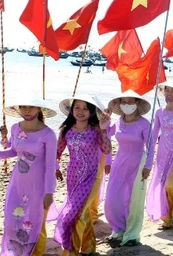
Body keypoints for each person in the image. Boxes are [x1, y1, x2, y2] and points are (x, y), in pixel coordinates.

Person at [0, 96, 57, 256]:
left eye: (31, 106)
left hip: (37, 187)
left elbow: (50, 165)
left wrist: (49, 192)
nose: (27, 110)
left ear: (39, 109)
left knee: (32, 224)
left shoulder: (48, 135)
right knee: (11, 222)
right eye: (23, 106)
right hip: (17, 185)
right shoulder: (15, 128)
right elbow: (13, 151)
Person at [53, 94, 112, 256]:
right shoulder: (66, 131)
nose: (80, 111)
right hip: (72, 177)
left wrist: (104, 128)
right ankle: (89, 247)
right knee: (82, 212)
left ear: (91, 112)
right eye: (77, 107)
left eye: (85, 108)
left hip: (92, 177)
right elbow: (56, 153)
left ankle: (70, 251)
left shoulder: (96, 130)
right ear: (71, 110)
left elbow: (107, 150)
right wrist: (55, 168)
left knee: (73, 213)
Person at [104, 90, 154, 247]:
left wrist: (148, 166)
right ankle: (118, 230)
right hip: (119, 162)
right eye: (123, 102)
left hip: (137, 163)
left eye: (130, 102)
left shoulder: (144, 124)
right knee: (112, 199)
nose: (127, 105)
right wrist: (107, 161)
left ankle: (132, 234)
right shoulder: (118, 122)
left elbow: (151, 146)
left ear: (137, 103)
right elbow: (105, 137)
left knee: (133, 201)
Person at [146, 81, 173, 230]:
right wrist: (146, 150)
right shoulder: (159, 112)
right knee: (160, 186)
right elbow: (153, 135)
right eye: (167, 91)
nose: (169, 94)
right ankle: (167, 219)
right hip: (162, 156)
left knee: (169, 184)